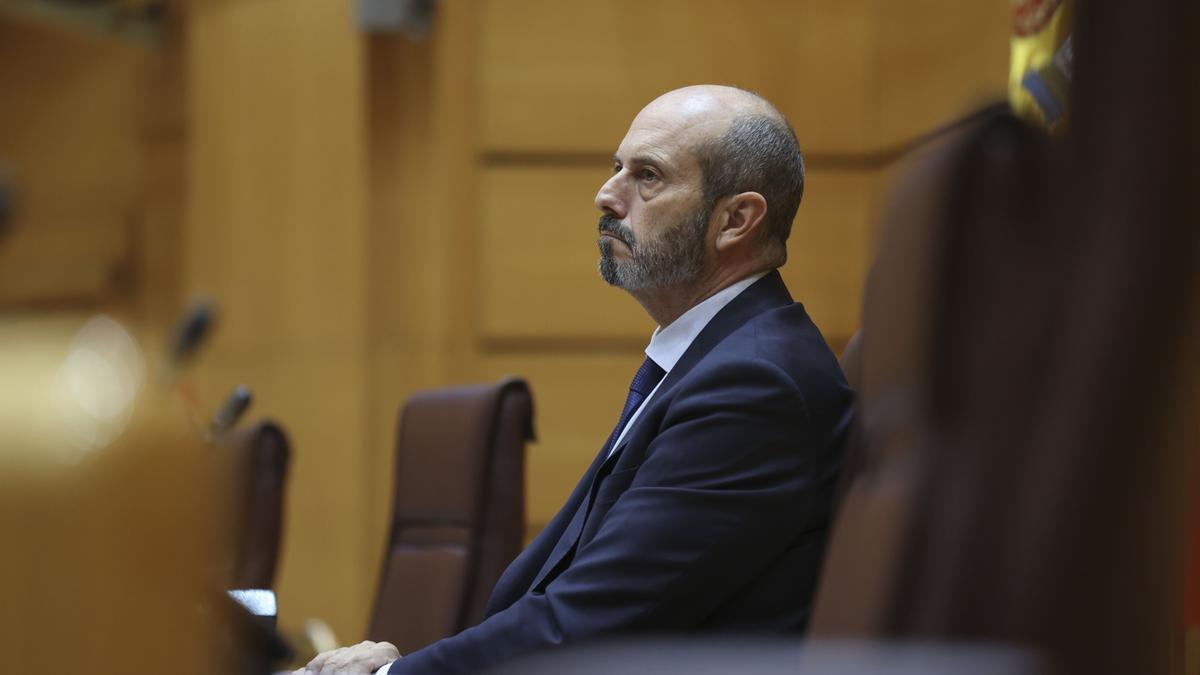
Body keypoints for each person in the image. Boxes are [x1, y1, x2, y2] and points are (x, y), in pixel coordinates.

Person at [301, 84, 854, 675]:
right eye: (617, 167)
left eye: (648, 175)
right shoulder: (718, 360)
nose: (607, 195)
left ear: (735, 219)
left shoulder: (754, 386)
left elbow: (590, 624)